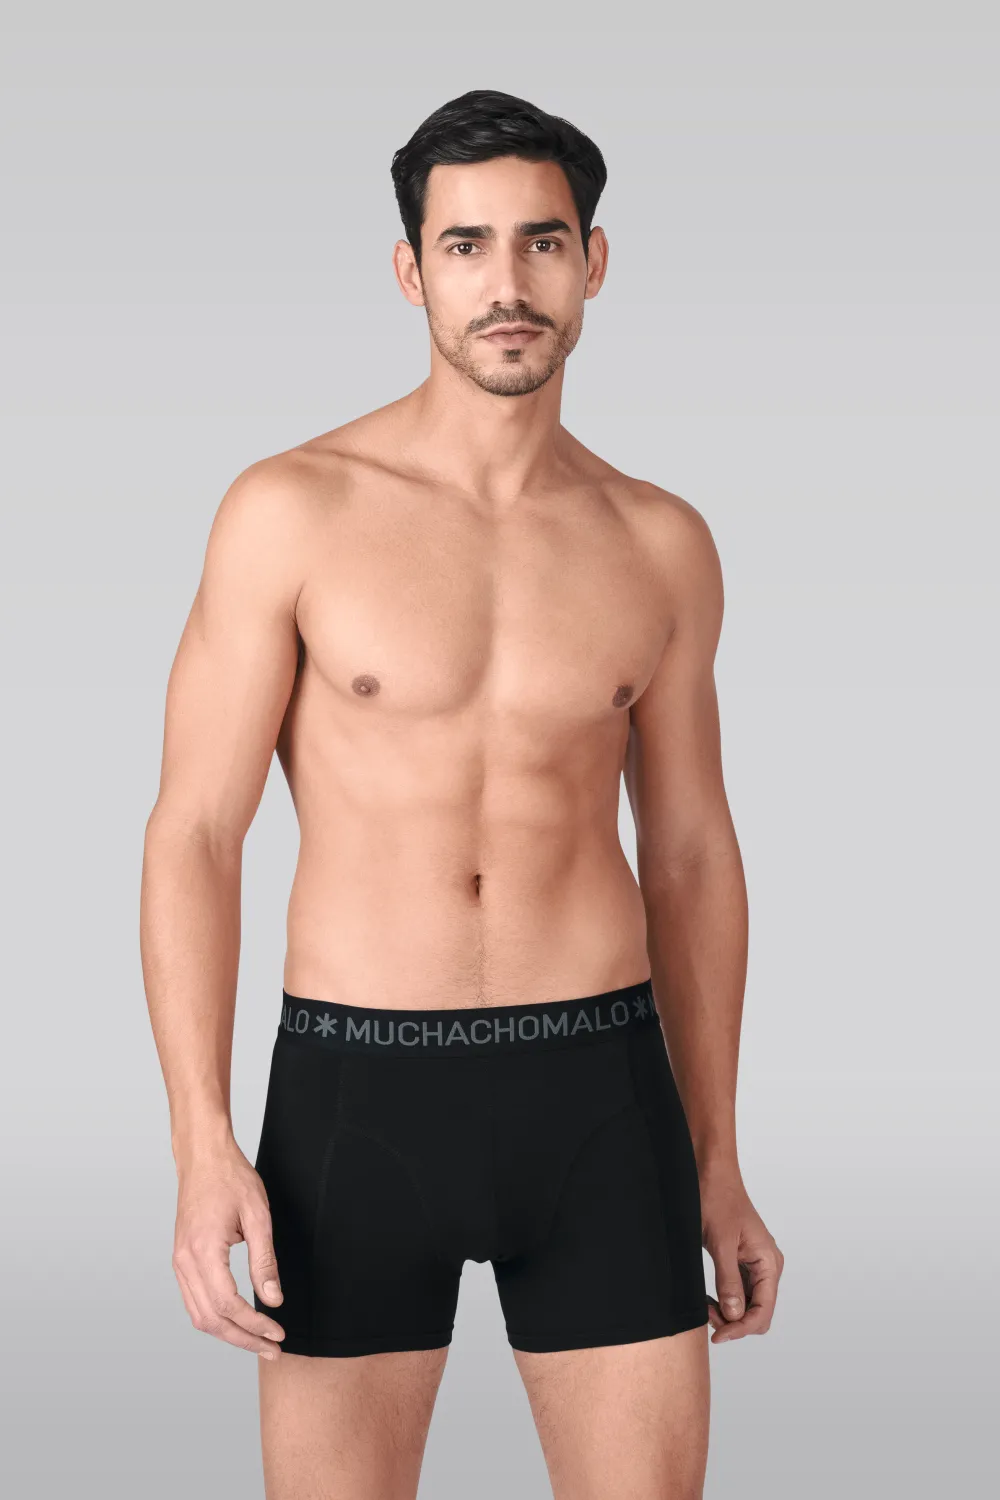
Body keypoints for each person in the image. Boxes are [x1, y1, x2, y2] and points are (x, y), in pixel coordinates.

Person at [140, 87, 784, 1500]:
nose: (508, 284)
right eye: (466, 245)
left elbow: (689, 851)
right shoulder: (292, 510)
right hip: (357, 1099)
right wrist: (200, 1145)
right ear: (410, 271)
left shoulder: (659, 542)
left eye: (542, 242)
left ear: (592, 262)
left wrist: (720, 1156)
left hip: (602, 1093)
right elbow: (196, 832)